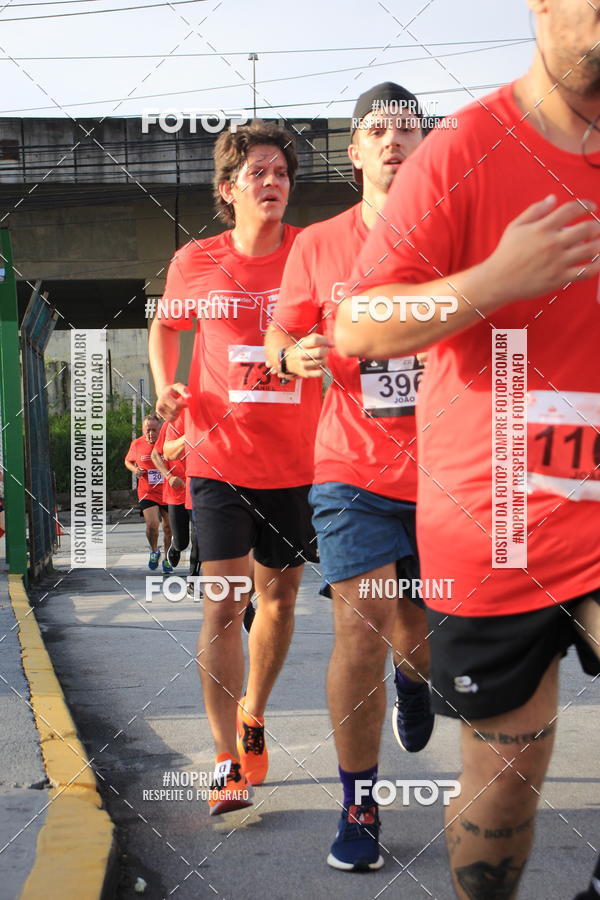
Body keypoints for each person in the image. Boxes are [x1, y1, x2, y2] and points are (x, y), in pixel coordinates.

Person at [334, 1, 600, 895]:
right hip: (500, 530)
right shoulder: (466, 149)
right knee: (507, 785)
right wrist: (493, 282)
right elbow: (361, 325)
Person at [265, 82, 433, 873]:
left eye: (408, 129)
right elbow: (282, 333)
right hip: (352, 468)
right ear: (356, 150)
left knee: (420, 634)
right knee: (360, 629)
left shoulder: (462, 235)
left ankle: (416, 680)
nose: (394, 139)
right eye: (377, 129)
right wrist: (289, 355)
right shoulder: (319, 244)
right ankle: (359, 802)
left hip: (448, 472)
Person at [148, 121, 321, 815]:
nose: (273, 182)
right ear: (230, 189)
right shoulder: (196, 261)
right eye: (258, 173)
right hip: (218, 458)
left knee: (276, 604)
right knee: (225, 604)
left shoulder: (313, 254)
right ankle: (225, 762)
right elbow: (166, 325)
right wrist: (166, 385)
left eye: (281, 172)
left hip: (295, 462)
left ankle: (253, 711)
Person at [125, 414, 173, 573]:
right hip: (147, 492)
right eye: (148, 430)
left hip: (167, 491)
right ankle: (154, 551)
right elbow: (128, 461)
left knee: (169, 528)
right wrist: (135, 470)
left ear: (160, 429)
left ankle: (167, 558)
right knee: (152, 525)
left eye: (154, 430)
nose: (151, 433)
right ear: (143, 430)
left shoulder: (168, 443)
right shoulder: (137, 444)